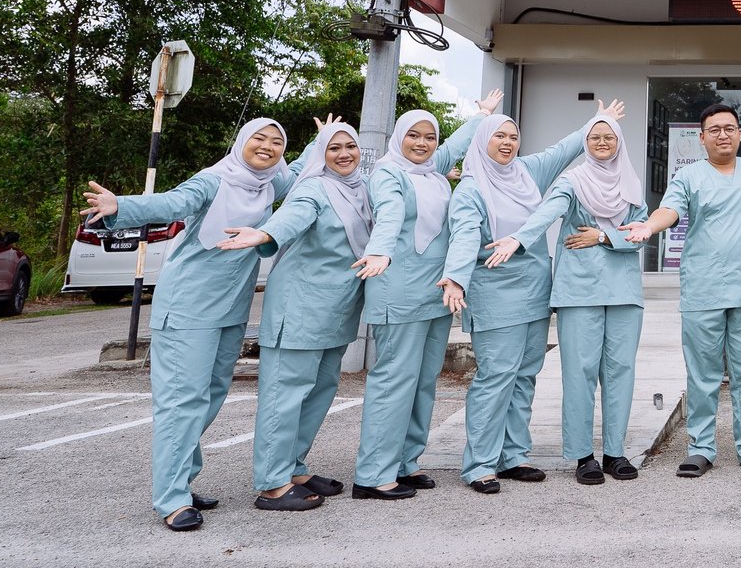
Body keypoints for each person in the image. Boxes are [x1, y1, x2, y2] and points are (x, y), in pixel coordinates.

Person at [80, 117, 303, 531]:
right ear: (241, 141)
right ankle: (172, 498)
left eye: (277, 142)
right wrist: (121, 206)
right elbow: (172, 202)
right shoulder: (213, 181)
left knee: (210, 397)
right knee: (182, 402)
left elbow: (303, 173)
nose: (268, 146)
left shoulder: (269, 184)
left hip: (231, 310)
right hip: (188, 309)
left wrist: (325, 140)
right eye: (259, 138)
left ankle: (180, 478)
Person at [441, 105, 616, 493]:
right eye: (499, 136)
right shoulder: (471, 188)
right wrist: (455, 278)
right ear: (482, 141)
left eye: (513, 136)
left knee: (524, 376)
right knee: (496, 376)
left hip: (535, 290)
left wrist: (594, 122)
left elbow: (562, 150)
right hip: (495, 293)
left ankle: (513, 456)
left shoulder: (527, 172)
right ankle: (480, 465)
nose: (507, 143)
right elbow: (465, 234)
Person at [623, 103, 741, 477]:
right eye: (715, 129)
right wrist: (649, 227)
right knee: (703, 374)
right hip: (703, 290)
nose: (723, 135)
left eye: (729, 128)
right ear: (702, 138)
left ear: (739, 134)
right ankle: (701, 448)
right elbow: (669, 210)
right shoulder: (689, 177)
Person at [350, 93, 500, 500]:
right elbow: (390, 213)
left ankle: (405, 462)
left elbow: (457, 144)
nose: (422, 143)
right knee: (394, 381)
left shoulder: (432, 170)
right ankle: (373, 474)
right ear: (398, 136)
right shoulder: (387, 173)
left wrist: (481, 115)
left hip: (437, 293)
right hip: (397, 288)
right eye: (413, 135)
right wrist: (380, 250)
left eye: (429, 137)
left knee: (422, 382)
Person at [219, 122, 372, 512]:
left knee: (319, 392)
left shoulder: (361, 190)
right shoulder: (313, 188)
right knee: (284, 396)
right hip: (300, 308)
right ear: (321, 154)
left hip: (337, 310)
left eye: (350, 146)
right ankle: (272, 483)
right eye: (333, 147)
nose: (343, 153)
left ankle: (294, 468)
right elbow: (293, 216)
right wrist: (266, 234)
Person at [510, 112, 648, 485]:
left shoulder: (631, 185)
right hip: (578, 292)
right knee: (579, 374)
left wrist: (602, 236)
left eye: (609, 137)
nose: (602, 143)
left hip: (624, 292)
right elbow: (548, 212)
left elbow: (640, 233)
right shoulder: (572, 181)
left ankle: (615, 453)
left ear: (619, 142)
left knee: (621, 372)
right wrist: (519, 238)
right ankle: (583, 455)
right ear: (585, 143)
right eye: (594, 137)